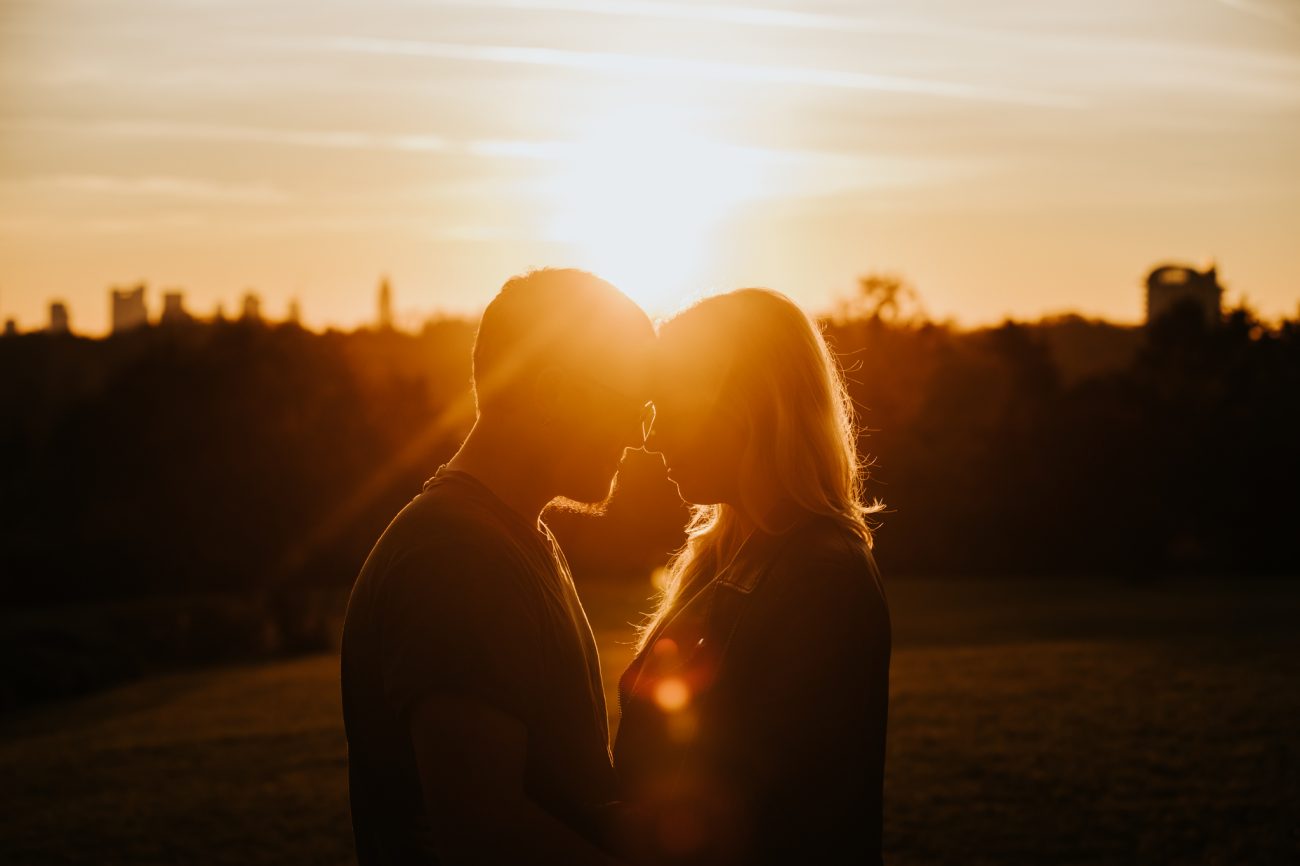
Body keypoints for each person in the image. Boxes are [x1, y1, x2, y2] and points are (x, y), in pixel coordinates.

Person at [340, 268, 655, 865]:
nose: (639, 437)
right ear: (554, 391)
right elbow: (483, 832)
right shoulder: (456, 558)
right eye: (630, 405)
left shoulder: (509, 536)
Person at [612, 288, 891, 865]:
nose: (651, 435)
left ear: (741, 404)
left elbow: (763, 816)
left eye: (667, 406)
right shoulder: (727, 552)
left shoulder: (820, 577)